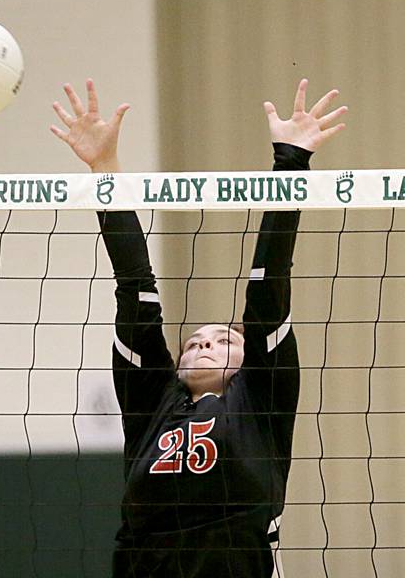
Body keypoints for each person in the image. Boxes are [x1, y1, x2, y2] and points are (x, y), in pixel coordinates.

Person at [51, 78, 346, 577]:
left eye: (223, 339)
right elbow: (135, 287)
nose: (205, 343)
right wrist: (104, 169)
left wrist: (291, 162)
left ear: (248, 358)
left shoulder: (260, 400)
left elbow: (269, 285)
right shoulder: (153, 403)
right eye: (194, 342)